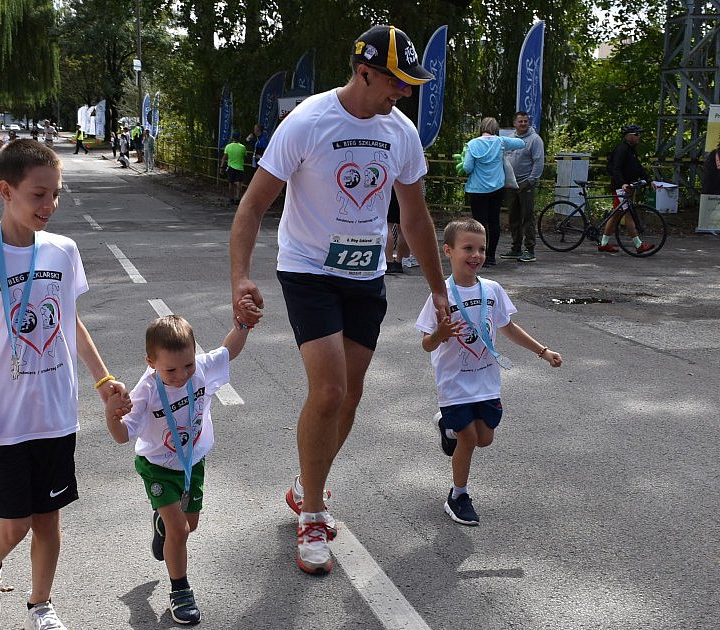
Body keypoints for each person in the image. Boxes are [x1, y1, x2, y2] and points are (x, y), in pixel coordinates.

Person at [229, 24, 450, 576]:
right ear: (364, 72)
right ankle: (313, 515)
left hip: (364, 275)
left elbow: (415, 217)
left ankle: (309, 483)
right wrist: (239, 278)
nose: (404, 93)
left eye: (410, 83)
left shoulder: (400, 133)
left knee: (348, 397)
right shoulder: (307, 121)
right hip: (308, 270)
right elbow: (253, 206)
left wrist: (439, 287)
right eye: (396, 82)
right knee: (327, 390)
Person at [0, 138, 131, 630]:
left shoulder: (63, 251)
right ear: (6, 191)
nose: (50, 205)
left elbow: (70, 320)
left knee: (48, 517)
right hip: (4, 419)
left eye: (56, 194)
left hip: (55, 412)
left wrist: (104, 380)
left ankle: (40, 605)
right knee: (16, 522)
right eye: (38, 195)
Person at [105, 313, 251, 625]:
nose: (182, 375)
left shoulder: (199, 368)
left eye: (187, 365)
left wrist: (243, 325)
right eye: (170, 369)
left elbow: (229, 350)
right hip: (157, 468)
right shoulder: (145, 391)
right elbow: (121, 437)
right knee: (180, 530)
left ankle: (162, 526)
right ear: (151, 362)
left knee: (189, 525)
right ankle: (180, 590)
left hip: (192, 463)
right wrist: (111, 415)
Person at [416, 217, 562, 526]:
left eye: (481, 249)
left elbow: (507, 327)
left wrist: (542, 351)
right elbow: (426, 345)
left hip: (486, 381)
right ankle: (458, 496)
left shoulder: (492, 290)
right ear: (448, 251)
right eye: (468, 248)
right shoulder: (441, 295)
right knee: (468, 440)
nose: (476, 255)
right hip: (454, 382)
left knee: (484, 438)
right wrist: (439, 335)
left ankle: (447, 426)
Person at [460, 117, 524, 266]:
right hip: (496, 188)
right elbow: (521, 143)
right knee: (494, 222)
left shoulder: (472, 144)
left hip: (477, 189)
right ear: (496, 129)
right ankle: (490, 257)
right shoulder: (500, 142)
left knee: (479, 223)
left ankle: (478, 254)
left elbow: (468, 167)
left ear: (481, 127)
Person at [499, 111, 544, 263]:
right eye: (520, 121)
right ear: (514, 124)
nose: (523, 124)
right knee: (513, 217)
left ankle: (529, 249)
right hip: (511, 184)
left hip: (526, 184)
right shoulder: (509, 140)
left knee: (527, 217)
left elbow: (538, 162)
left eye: (526, 121)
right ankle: (515, 248)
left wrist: (531, 180)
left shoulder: (535, 139)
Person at [603, 123, 654, 254]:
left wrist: (649, 180)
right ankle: (638, 245)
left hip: (627, 187)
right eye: (636, 134)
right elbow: (616, 168)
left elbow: (639, 168)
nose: (639, 136)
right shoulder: (621, 149)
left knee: (616, 216)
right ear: (628, 136)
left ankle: (603, 243)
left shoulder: (631, 150)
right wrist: (622, 184)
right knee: (629, 214)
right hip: (621, 188)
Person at [219, 132, 247, 203]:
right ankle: (238, 198)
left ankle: (231, 198)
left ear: (232, 137)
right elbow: (245, 156)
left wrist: (221, 167)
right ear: (239, 138)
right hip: (240, 167)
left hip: (230, 167)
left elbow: (224, 158)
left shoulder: (228, 146)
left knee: (231, 183)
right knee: (239, 183)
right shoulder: (243, 147)